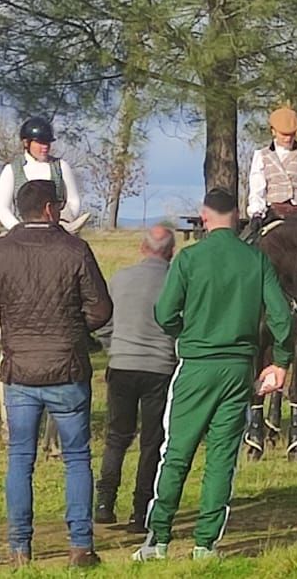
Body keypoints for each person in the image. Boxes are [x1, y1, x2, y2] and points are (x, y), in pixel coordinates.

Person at [135, 188, 293, 562]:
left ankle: (157, 539)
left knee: (176, 453)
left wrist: (187, 333)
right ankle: (205, 544)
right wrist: (281, 361)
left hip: (196, 365)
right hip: (239, 369)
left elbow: (164, 312)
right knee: (222, 457)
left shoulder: (189, 260)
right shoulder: (255, 259)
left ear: (204, 217)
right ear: (237, 217)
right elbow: (283, 317)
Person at [0, 180, 112, 569]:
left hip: (20, 371)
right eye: (59, 206)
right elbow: (101, 309)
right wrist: (73, 327)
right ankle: (80, 545)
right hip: (67, 367)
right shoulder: (75, 249)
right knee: (77, 458)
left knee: (19, 459)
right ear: (48, 209)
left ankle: (19, 548)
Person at [93, 225, 179, 534]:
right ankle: (141, 511)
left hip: (122, 365)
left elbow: (102, 322)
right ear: (172, 252)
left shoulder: (119, 279)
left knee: (117, 436)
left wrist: (113, 347)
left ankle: (104, 502)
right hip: (160, 368)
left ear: (142, 248)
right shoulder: (177, 281)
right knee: (152, 441)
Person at [0, 116, 86, 232]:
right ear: (26, 143)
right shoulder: (11, 170)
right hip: (20, 230)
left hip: (57, 229)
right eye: (40, 143)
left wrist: (64, 223)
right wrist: (19, 229)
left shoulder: (61, 167)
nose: (45, 147)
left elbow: (73, 200)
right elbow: (2, 209)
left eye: (48, 143)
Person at [246, 107, 297, 222]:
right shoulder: (261, 155)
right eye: (283, 134)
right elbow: (257, 188)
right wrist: (256, 212)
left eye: (291, 134)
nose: (288, 139)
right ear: (273, 131)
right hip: (272, 213)